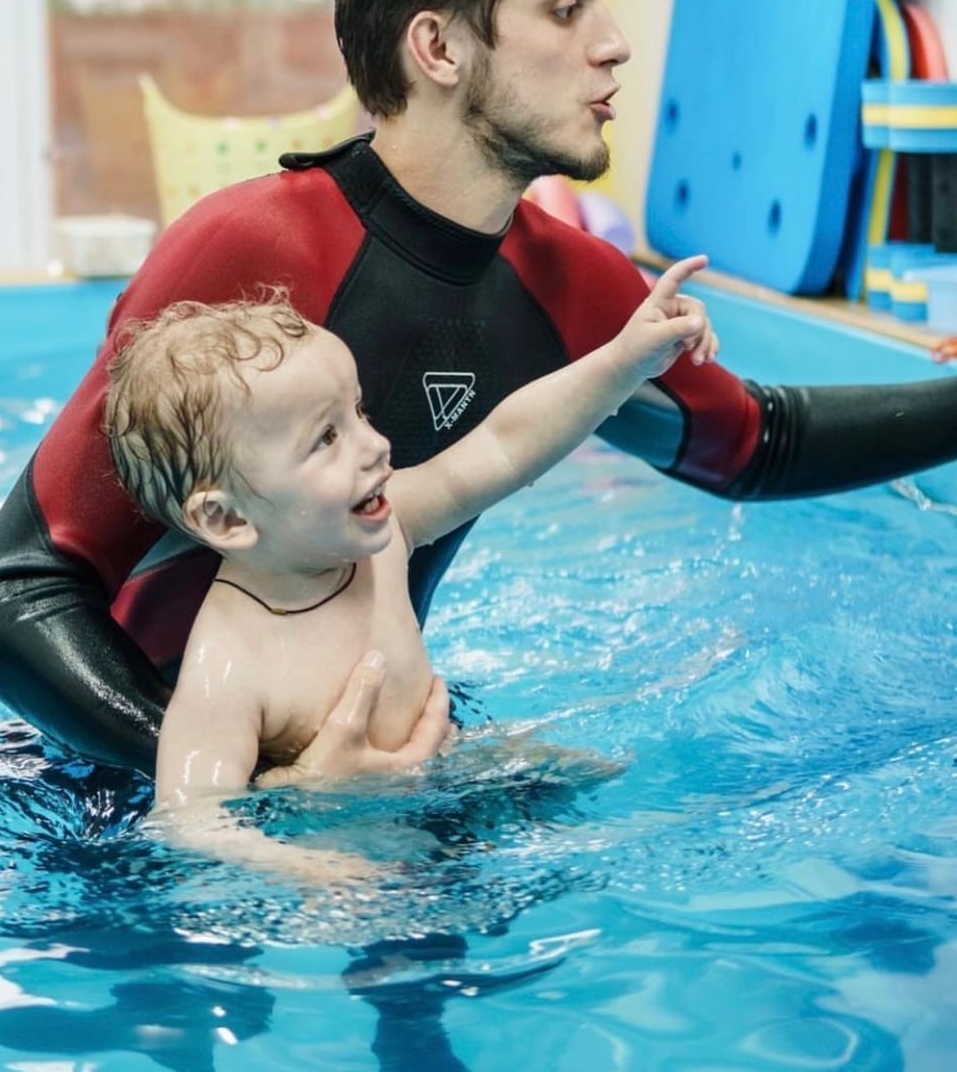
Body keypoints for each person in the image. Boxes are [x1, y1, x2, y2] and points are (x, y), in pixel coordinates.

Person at [0, 0, 957, 777]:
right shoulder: (251, 253)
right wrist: (262, 784)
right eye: (567, 8)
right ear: (437, 46)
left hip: (379, 756)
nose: (613, 46)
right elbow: (13, 598)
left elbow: (757, 444)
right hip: (123, 788)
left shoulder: (582, 287)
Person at [104, 264, 715, 875]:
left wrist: (625, 362)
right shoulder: (232, 662)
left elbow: (504, 445)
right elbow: (187, 818)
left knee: (615, 784)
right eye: (325, 439)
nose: (374, 445)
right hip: (346, 836)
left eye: (358, 413)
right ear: (226, 519)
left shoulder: (388, 534)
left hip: (447, 769)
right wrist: (314, 871)